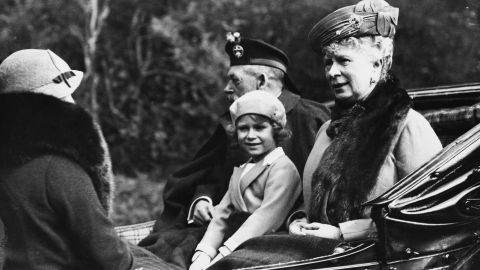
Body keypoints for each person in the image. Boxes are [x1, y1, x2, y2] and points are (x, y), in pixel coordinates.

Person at [208, 0, 443, 269]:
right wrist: (297, 219)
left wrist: (344, 232)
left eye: (343, 61)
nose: (332, 72)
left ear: (377, 65)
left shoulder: (407, 126)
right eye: (328, 62)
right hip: (321, 255)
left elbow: (426, 216)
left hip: (374, 260)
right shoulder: (327, 130)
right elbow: (307, 201)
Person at [138, 33, 329, 267]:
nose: (227, 89)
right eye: (245, 129)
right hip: (222, 227)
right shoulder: (232, 122)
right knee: (160, 253)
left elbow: (324, 190)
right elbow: (209, 174)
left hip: (280, 235)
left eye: (234, 80)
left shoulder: (314, 120)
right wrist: (201, 199)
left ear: (261, 81)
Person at [0, 49, 179, 270]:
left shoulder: (11, 162)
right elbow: (108, 253)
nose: (72, 103)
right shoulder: (58, 168)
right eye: (61, 99)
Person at [189, 91, 302, 270]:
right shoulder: (242, 169)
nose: (250, 135)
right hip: (236, 239)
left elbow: (265, 217)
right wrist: (204, 253)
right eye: (243, 128)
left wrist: (223, 253)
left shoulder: (283, 168)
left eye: (259, 128)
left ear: (276, 130)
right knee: (182, 249)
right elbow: (222, 214)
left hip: (265, 242)